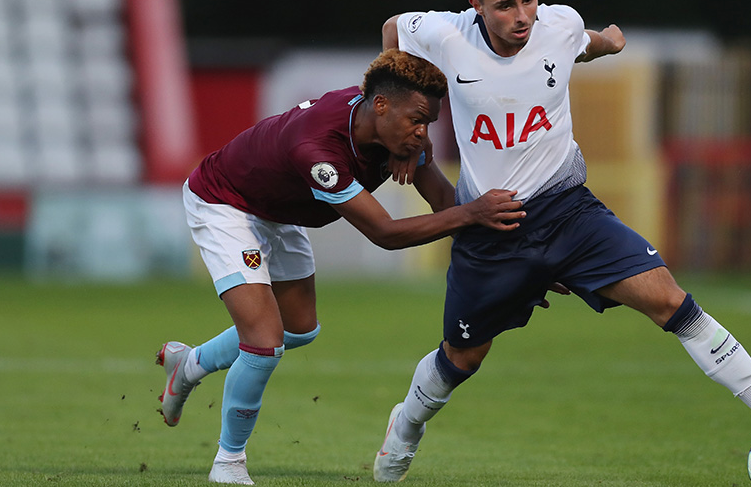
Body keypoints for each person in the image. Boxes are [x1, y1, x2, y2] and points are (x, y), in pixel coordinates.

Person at [372, 0, 751, 483]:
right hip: (493, 228)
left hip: (569, 211)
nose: (522, 16)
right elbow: (393, 30)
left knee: (671, 300)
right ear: (476, 6)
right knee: (460, 360)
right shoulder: (444, 34)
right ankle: (406, 428)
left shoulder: (558, 25)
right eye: (505, 5)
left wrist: (609, 42)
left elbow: (584, 42)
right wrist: (402, 133)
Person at [156, 49, 526, 485]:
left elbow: (445, 204)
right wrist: (472, 213)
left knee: (298, 329)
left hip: (278, 209)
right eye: (417, 120)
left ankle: (190, 365)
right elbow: (386, 233)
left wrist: (524, 262)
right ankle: (228, 463)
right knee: (264, 342)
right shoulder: (318, 151)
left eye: (428, 124)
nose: (423, 133)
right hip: (225, 203)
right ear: (381, 106)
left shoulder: (390, 126)